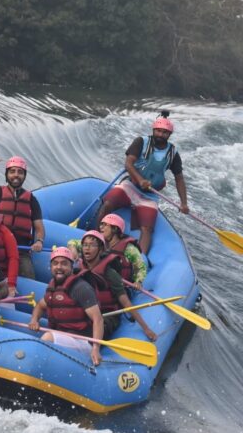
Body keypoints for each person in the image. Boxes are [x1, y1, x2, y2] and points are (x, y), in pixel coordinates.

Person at [96, 111, 189, 255]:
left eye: (165, 132)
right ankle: (97, 240)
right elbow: (128, 163)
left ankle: (140, 258)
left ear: (169, 134)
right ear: (153, 130)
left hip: (150, 195)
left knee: (147, 229)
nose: (160, 134)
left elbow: (179, 178)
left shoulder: (173, 153)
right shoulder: (141, 142)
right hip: (130, 186)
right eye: (158, 131)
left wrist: (184, 203)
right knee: (107, 204)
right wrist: (140, 180)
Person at [75, 230, 157, 342]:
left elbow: (126, 303)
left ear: (100, 249)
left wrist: (146, 328)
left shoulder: (110, 273)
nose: (87, 248)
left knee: (94, 331)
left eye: (92, 245)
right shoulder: (79, 269)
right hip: (88, 312)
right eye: (85, 245)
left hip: (107, 314)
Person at [28, 247, 104, 366]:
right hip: (64, 336)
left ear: (71, 267)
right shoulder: (53, 288)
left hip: (82, 341)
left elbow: (98, 319)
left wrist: (96, 348)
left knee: (47, 338)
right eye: (55, 263)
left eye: (64, 264)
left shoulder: (81, 288)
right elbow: (40, 305)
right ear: (51, 267)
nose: (59, 267)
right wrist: (34, 320)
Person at [98, 213, 147, 288]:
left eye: (105, 225)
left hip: (121, 286)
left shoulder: (129, 248)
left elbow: (141, 267)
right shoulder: (99, 243)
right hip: (102, 281)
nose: (101, 227)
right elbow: (81, 245)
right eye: (101, 224)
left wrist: (138, 281)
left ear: (115, 229)